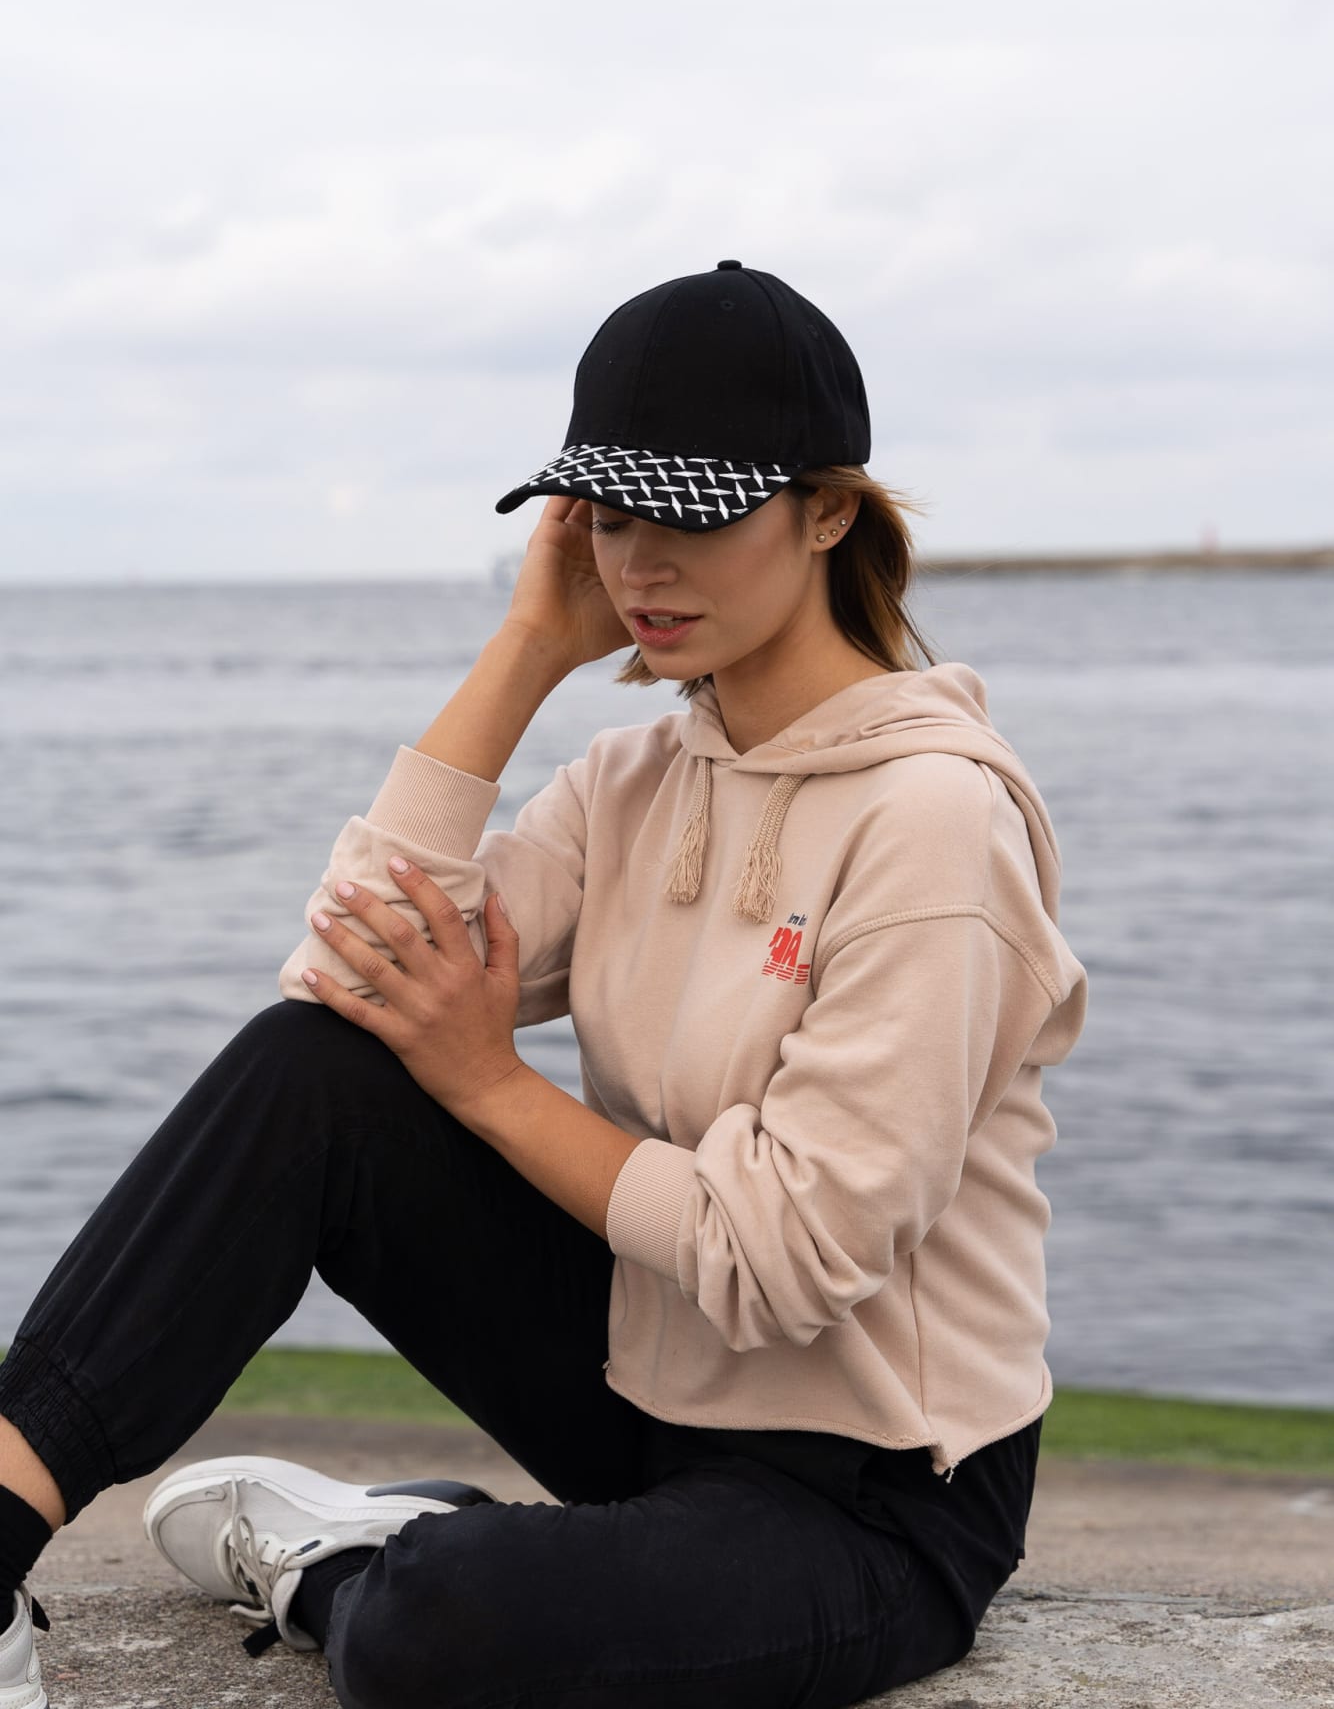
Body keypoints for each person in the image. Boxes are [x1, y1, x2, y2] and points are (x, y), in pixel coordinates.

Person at [0, 259, 1088, 1709]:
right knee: (308, 1071)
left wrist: (490, 1085)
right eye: (610, 516)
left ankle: (357, 1563)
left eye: (691, 516)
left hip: (875, 1496)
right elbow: (345, 981)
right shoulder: (634, 779)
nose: (641, 566)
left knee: (433, 1630)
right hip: (650, 1392)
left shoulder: (934, 823)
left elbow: (792, 1255)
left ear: (828, 512)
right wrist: (523, 653)